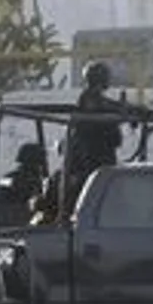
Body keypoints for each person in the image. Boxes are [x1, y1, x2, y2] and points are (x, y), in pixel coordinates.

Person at [62, 61, 125, 208]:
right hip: (90, 158)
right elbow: (102, 107)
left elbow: (109, 105)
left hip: (98, 157)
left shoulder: (96, 99)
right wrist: (121, 110)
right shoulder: (89, 99)